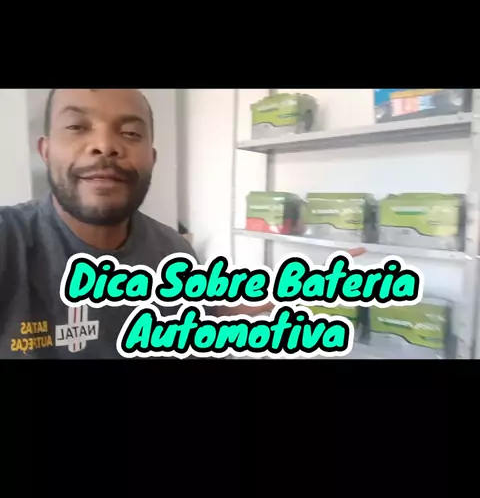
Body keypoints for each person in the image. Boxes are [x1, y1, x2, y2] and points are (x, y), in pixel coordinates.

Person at [0, 88, 365, 359]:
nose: (105, 145)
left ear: (151, 158)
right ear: (46, 151)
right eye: (77, 126)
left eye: (130, 133)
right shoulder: (9, 241)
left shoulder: (173, 250)